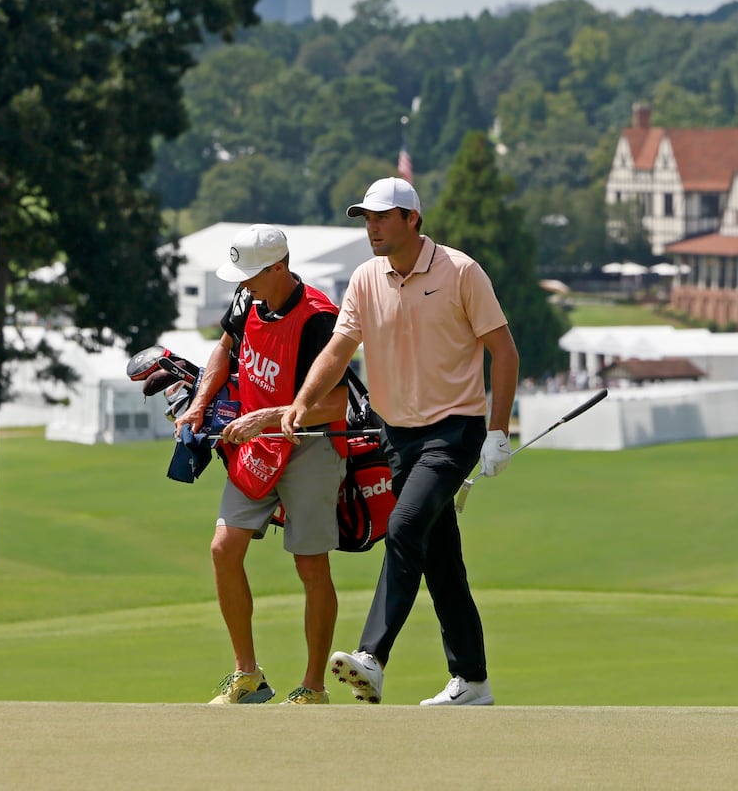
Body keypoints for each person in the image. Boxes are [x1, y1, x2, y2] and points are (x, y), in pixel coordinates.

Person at [280, 176, 520, 708]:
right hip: (397, 438)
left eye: (382, 217)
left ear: (413, 219)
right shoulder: (366, 278)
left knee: (405, 527)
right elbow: (339, 349)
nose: (372, 227)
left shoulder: (461, 271)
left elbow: (504, 353)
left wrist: (498, 432)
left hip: (454, 431)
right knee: (442, 560)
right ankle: (473, 682)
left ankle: (373, 656)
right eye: (366, 218)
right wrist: (302, 400)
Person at [175, 224, 351, 706]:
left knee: (311, 566)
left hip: (310, 448)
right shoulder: (244, 300)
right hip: (255, 447)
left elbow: (337, 403)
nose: (244, 283)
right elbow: (226, 348)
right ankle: (247, 675)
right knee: (223, 548)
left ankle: (312, 688)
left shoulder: (320, 318)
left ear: (280, 267)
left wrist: (270, 417)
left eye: (252, 274)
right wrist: (198, 402)